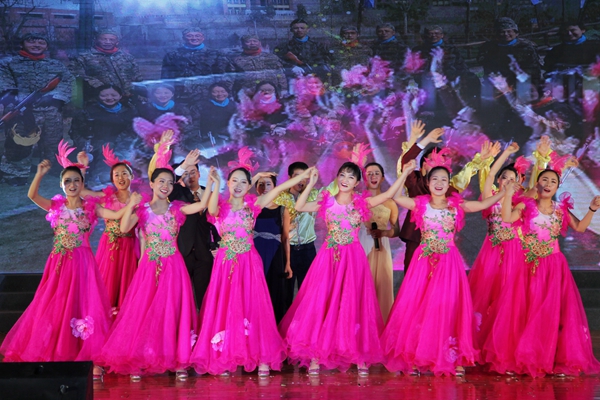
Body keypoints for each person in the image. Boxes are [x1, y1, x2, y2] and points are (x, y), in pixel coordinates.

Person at [0, 147, 129, 380]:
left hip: (83, 265)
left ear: (82, 184)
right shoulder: (56, 206)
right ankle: (56, 353)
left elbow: (116, 216)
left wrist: (133, 204)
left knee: (83, 307)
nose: (72, 184)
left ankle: (90, 358)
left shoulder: (91, 208)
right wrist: (39, 174)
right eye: (67, 181)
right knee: (55, 306)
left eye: (76, 180)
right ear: (61, 185)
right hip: (59, 265)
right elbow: (32, 196)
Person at [279, 161, 412, 376]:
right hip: (329, 258)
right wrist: (311, 183)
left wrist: (405, 173)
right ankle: (316, 355)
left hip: (353, 258)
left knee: (353, 303)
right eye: (342, 175)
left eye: (351, 177)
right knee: (322, 302)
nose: (345, 180)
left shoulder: (361, 203)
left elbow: (388, 195)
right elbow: (300, 206)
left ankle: (359, 356)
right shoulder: (327, 201)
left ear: (357, 182)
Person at [191, 153, 314, 376]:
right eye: (234, 181)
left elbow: (280, 188)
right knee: (226, 305)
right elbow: (211, 210)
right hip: (226, 264)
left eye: (243, 182)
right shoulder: (220, 206)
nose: (238, 185)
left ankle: (260, 355)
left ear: (250, 186)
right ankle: (225, 355)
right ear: (228, 183)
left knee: (252, 306)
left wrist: (303, 176)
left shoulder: (254, 205)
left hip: (249, 262)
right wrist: (214, 183)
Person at [382, 157, 506, 377]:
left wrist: (505, 192)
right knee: (418, 305)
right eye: (435, 179)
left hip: (448, 262)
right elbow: (396, 196)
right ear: (428, 183)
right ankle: (414, 357)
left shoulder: (455, 206)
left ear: (449, 184)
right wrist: (406, 173)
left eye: (444, 180)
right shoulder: (420, 204)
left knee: (449, 306)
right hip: (423, 262)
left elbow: (482, 205)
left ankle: (454, 358)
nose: (439, 183)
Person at [98, 160, 214, 381]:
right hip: (150, 267)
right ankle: (138, 361)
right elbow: (124, 227)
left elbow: (200, 206)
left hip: (173, 266)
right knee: (143, 311)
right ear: (151, 184)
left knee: (173, 311)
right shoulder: (143, 210)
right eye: (161, 181)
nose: (166, 186)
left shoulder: (176, 209)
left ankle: (179, 361)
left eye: (170, 183)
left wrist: (210, 184)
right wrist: (131, 205)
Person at [501, 161, 600, 377]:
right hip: (529, 266)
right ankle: (526, 358)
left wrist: (592, 209)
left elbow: (580, 227)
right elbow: (507, 218)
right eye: (544, 180)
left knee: (552, 312)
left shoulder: (560, 210)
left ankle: (552, 358)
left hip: (554, 267)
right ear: (537, 184)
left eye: (552, 181)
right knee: (528, 311)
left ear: (557, 187)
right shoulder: (526, 206)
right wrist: (508, 195)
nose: (548, 184)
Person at [398, 125, 498, 272]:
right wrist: (426, 140)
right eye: (434, 160)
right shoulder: (415, 181)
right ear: (424, 164)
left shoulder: (449, 188)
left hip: (442, 244)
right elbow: (406, 160)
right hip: (416, 237)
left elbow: (464, 176)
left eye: (443, 162)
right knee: (414, 277)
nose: (439, 165)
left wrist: (480, 160)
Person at [466, 142, 530, 372]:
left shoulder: (520, 202)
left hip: (513, 252)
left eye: (513, 178)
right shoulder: (490, 196)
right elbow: (491, 173)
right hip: (491, 251)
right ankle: (480, 346)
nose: (508, 181)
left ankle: (506, 348)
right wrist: (507, 153)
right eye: (505, 178)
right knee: (486, 296)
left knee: (509, 299)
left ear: (519, 183)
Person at [0, 33, 74, 186]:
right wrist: (17, 100)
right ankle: (16, 173)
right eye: (31, 42)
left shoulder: (55, 64)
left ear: (46, 46)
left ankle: (52, 167)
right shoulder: (9, 63)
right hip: (22, 110)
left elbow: (67, 81)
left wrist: (55, 97)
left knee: (52, 141)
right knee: (20, 141)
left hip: (51, 109)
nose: (36, 45)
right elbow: (4, 83)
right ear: (22, 44)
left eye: (41, 43)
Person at [77, 147, 139, 315]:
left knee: (127, 287)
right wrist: (82, 167)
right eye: (116, 175)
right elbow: (81, 192)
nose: (121, 177)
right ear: (112, 178)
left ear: (132, 177)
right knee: (106, 284)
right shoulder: (106, 198)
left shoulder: (139, 200)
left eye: (124, 173)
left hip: (130, 247)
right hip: (110, 247)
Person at [170, 149, 220, 309]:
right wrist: (184, 165)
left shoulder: (211, 193)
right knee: (180, 298)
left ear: (199, 174)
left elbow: (219, 221)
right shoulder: (177, 194)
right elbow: (170, 179)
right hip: (182, 252)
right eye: (186, 173)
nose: (190, 176)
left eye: (193, 172)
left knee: (204, 298)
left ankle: (204, 323)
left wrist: (218, 244)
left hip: (205, 253)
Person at [69, 84, 137, 184]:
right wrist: (84, 143)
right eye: (104, 95)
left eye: (113, 95)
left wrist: (118, 142)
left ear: (120, 96)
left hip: (123, 143)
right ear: (98, 96)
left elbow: (133, 131)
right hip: (96, 144)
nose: (109, 98)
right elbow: (76, 131)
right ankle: (101, 180)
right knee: (105, 150)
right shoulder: (87, 112)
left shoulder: (129, 111)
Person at [358, 162, 398, 323]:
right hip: (360, 245)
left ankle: (379, 324)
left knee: (381, 286)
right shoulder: (357, 200)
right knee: (360, 285)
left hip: (381, 247)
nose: (373, 176)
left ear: (382, 178)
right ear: (364, 178)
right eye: (369, 173)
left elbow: (396, 230)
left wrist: (384, 233)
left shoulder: (390, 203)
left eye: (376, 173)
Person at [254, 174, 292, 323]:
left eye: (268, 184)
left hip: (275, 254)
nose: (264, 187)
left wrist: (288, 263)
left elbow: (285, 238)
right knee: (255, 290)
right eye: (260, 184)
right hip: (255, 254)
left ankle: (273, 326)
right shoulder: (252, 208)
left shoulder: (282, 210)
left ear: (275, 187)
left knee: (273, 291)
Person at [70, 30, 142, 100]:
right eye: (104, 39)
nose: (108, 42)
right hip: (99, 98)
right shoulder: (84, 57)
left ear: (117, 42)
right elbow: (76, 74)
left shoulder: (127, 57)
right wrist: (100, 87)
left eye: (111, 40)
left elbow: (137, 76)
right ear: (96, 40)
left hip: (129, 97)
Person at [477, 18, 541, 85]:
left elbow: (534, 70)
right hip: (497, 83)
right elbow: (486, 65)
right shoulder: (489, 48)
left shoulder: (526, 48)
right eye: (502, 32)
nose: (506, 34)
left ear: (516, 33)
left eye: (509, 31)